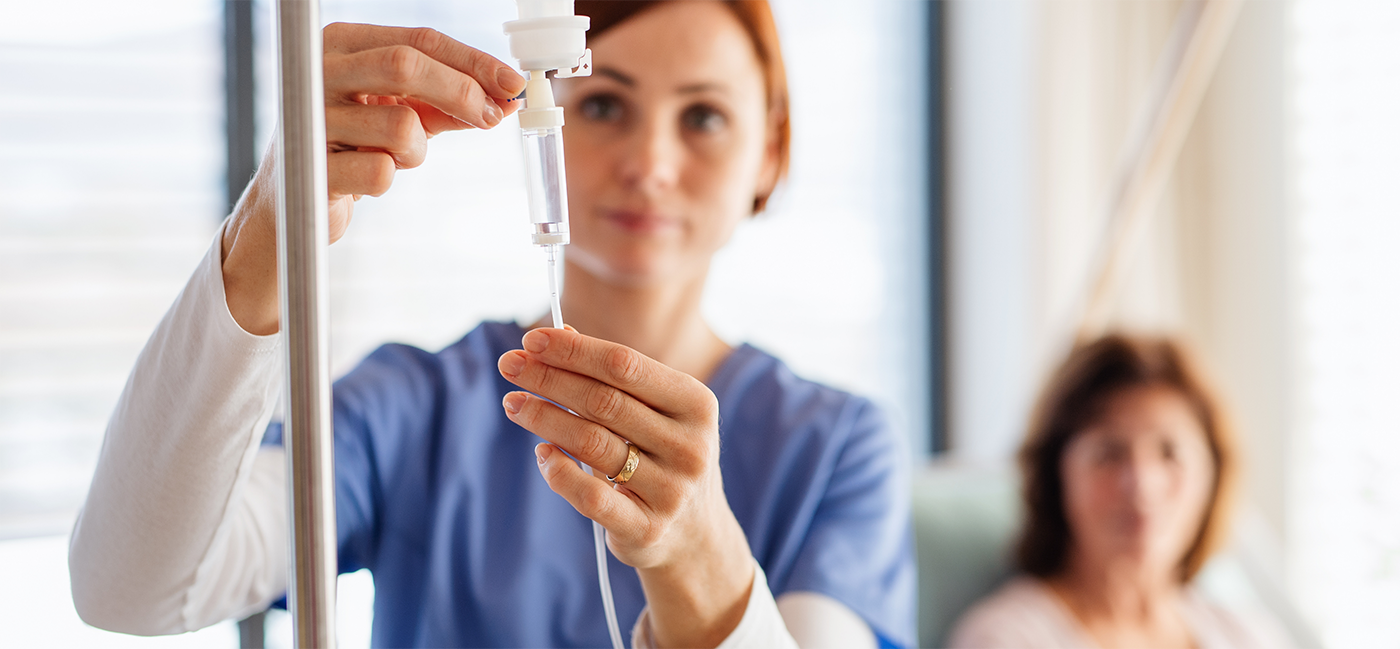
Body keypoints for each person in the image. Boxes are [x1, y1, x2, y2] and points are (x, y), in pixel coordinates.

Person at [67, 1, 916, 648]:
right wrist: (266, 231)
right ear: (541, 114)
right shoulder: (416, 407)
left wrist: (700, 557)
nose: (649, 164)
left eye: (703, 117)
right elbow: (131, 584)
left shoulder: (834, 448)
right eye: (604, 105)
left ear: (770, 149)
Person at [948, 335, 1292, 649]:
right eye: (1109, 454)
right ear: (1056, 475)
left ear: (1212, 475)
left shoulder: (1248, 635)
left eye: (1169, 453)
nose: (1142, 485)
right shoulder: (1005, 638)